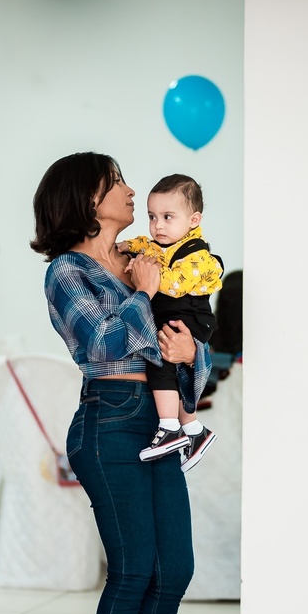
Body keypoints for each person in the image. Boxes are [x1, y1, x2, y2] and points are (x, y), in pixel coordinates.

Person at [33, 152, 210, 614]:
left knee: (175, 567)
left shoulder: (145, 257)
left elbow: (186, 346)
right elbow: (104, 344)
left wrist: (190, 355)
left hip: (157, 421)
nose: (132, 191)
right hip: (108, 422)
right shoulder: (67, 272)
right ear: (87, 199)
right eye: (116, 183)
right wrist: (142, 294)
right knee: (134, 570)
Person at [118, 175, 223, 472]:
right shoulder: (160, 245)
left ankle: (169, 426)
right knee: (170, 368)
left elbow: (175, 285)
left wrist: (144, 272)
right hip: (173, 316)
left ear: (193, 220)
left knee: (160, 361)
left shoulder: (199, 256)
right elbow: (143, 243)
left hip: (191, 318)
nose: (158, 226)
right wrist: (127, 246)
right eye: (152, 217)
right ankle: (194, 431)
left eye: (167, 217)